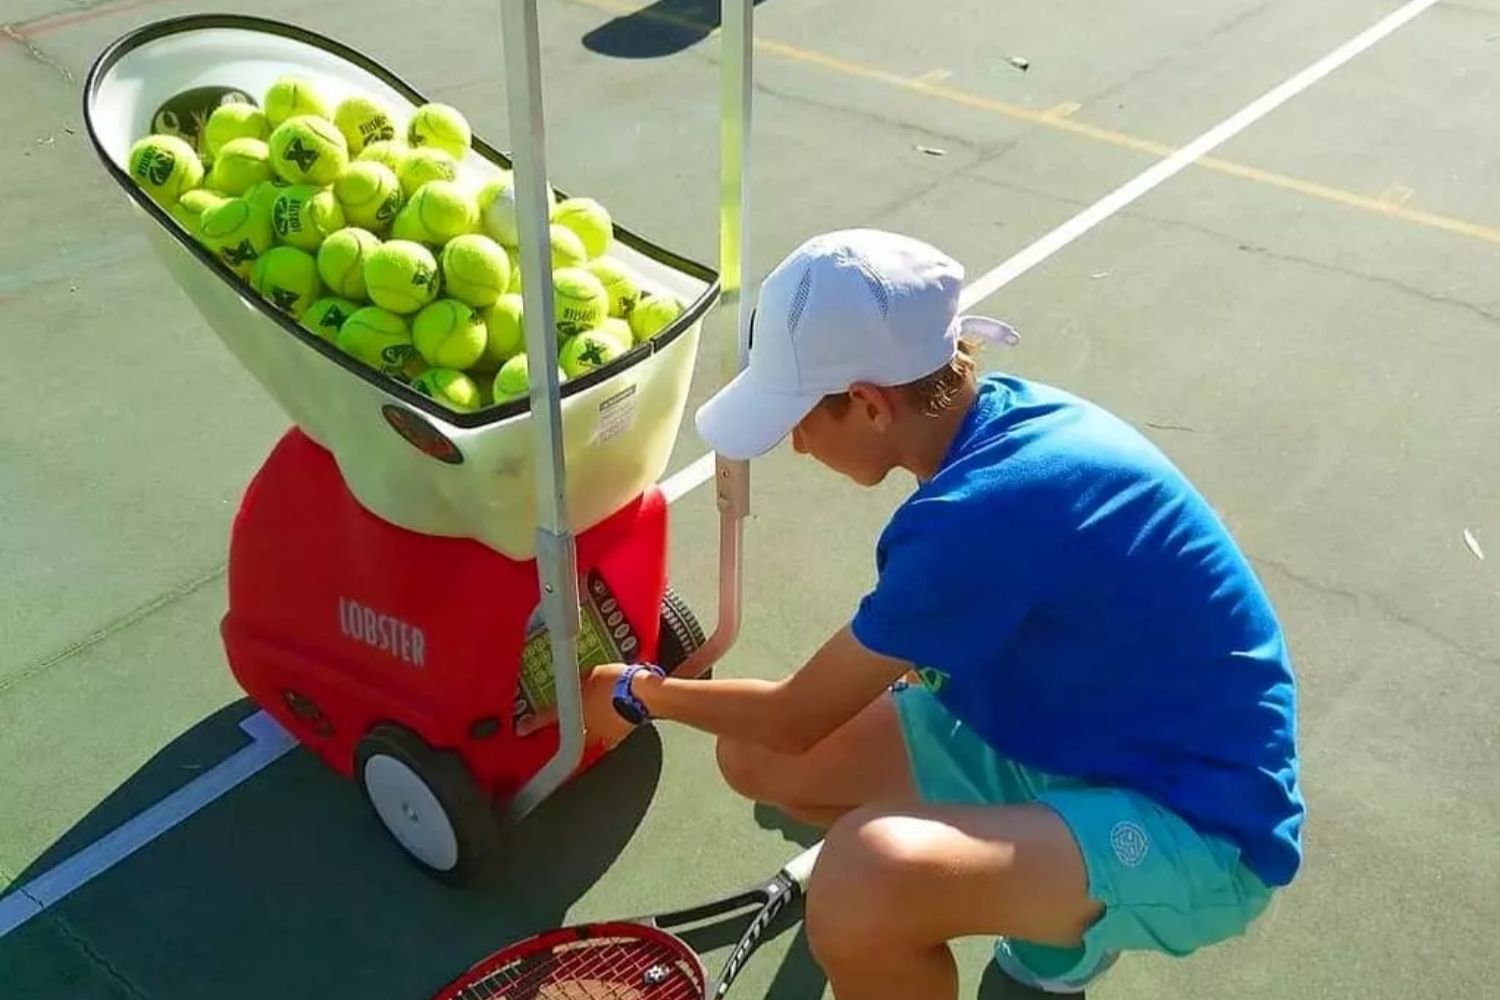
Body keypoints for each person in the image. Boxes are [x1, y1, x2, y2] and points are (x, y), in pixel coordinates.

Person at [581, 229, 1304, 998]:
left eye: (799, 417)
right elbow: (783, 738)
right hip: (1072, 735)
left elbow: (795, 714)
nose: (792, 444)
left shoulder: (977, 516)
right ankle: (1030, 892)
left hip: (1200, 824)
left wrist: (635, 693)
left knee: (863, 877)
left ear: (866, 403)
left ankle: (1051, 925)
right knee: (755, 760)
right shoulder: (998, 422)